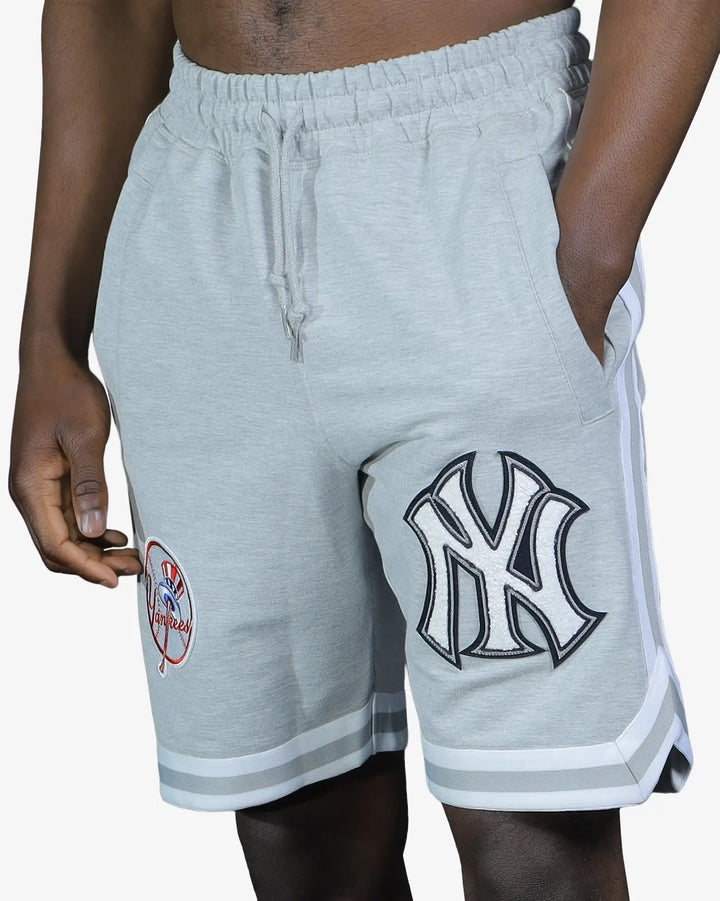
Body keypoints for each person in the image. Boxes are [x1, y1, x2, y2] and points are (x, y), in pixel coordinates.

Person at [9, 1, 715, 898]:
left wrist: (584, 262)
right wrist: (49, 339)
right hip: (199, 211)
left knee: (537, 832)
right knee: (298, 821)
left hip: (471, 167)